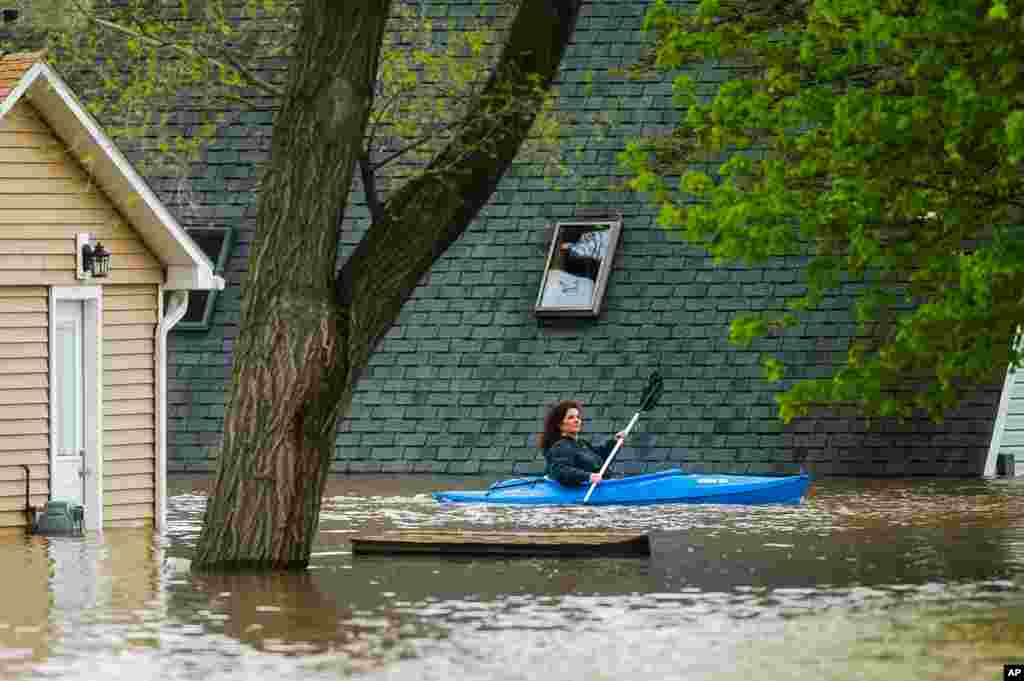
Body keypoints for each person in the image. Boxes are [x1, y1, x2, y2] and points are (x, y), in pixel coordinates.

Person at [537, 400, 626, 487]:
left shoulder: (581, 443)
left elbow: (600, 457)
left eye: (578, 417)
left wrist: (614, 442)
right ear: (560, 424)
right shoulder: (560, 447)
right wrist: (588, 476)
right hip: (584, 491)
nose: (577, 420)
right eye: (571, 417)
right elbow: (561, 471)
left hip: (603, 486)